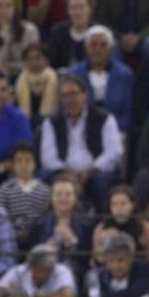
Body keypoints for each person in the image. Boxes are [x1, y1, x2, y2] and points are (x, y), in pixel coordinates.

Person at [38, 72, 122, 211]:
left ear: (85, 95)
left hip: (95, 173)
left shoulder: (105, 118)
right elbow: (48, 157)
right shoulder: (52, 122)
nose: (70, 100)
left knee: (102, 182)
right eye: (65, 96)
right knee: (45, 179)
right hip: (62, 172)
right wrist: (68, 173)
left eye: (73, 94)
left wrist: (91, 171)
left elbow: (114, 152)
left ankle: (100, 223)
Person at [68, 24, 133, 133]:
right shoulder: (73, 74)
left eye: (103, 45)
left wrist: (114, 131)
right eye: (93, 45)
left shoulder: (125, 74)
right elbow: (68, 107)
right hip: (80, 130)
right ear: (86, 48)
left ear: (111, 48)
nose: (98, 49)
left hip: (116, 131)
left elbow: (128, 110)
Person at [31, 171, 92, 286]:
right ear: (51, 198)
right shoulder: (39, 224)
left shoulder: (86, 224)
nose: (63, 198)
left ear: (75, 198)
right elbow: (31, 255)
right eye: (59, 194)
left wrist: (72, 240)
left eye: (68, 194)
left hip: (77, 275)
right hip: (45, 274)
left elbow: (88, 258)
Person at [92, 184, 149, 278]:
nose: (119, 208)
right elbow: (97, 261)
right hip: (110, 275)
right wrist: (103, 244)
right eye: (114, 204)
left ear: (132, 205)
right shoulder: (102, 228)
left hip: (139, 274)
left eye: (123, 204)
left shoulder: (145, 228)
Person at [0, 140, 52, 251]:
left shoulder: (45, 190)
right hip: (11, 238)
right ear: (12, 165)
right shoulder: (5, 189)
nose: (23, 165)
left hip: (38, 238)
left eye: (28, 161)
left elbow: (47, 217)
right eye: (19, 161)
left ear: (34, 164)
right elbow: (0, 216)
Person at [0, 242, 75, 297]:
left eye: (50, 267)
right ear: (32, 266)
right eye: (44, 268)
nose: (49, 270)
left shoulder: (62, 271)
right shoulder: (18, 271)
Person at [92, 230, 149, 297]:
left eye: (121, 260)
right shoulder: (98, 276)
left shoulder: (144, 269)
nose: (116, 265)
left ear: (131, 258)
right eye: (112, 260)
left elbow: (142, 291)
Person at [0, 0, 38, 80]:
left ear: (15, 9)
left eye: (8, 6)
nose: (4, 10)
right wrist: (4, 33)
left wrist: (6, 66)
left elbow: (31, 61)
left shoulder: (29, 30)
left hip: (25, 75)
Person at [14, 42, 58, 128]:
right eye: (29, 59)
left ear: (46, 60)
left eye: (38, 58)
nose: (33, 62)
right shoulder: (18, 81)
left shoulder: (56, 80)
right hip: (25, 126)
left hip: (51, 126)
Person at [46, 0, 92, 70]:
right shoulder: (57, 32)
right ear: (68, 11)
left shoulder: (98, 34)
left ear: (89, 9)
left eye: (81, 7)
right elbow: (52, 63)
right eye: (73, 7)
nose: (77, 12)